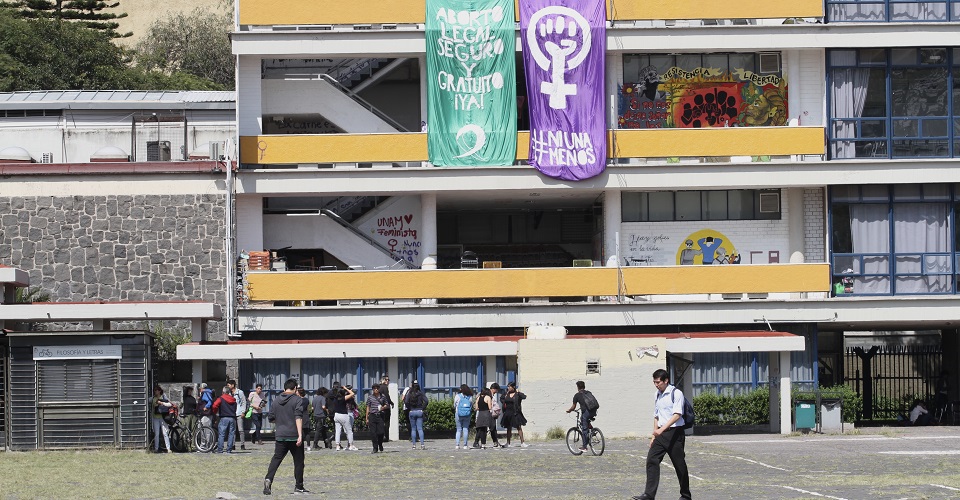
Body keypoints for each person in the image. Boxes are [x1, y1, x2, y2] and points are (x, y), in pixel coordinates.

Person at [633, 369, 692, 500]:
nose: (656, 385)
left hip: (675, 433)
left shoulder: (676, 393)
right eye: (654, 382)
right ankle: (649, 495)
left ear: (666, 381)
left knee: (679, 464)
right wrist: (655, 434)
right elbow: (656, 415)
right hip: (661, 434)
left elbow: (677, 415)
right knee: (651, 460)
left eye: (658, 382)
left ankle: (686, 495)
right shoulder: (657, 394)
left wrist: (662, 429)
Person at [263, 378, 308, 495]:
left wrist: (281, 420)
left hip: (280, 435)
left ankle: (268, 479)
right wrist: (300, 435)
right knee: (298, 461)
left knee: (276, 459)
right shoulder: (298, 400)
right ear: (295, 389)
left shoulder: (276, 400)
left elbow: (271, 418)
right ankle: (299, 486)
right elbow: (298, 417)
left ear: (284, 388)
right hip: (293, 435)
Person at [565, 380, 593, 453]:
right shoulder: (589, 393)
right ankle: (592, 431)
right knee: (586, 422)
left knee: (584, 428)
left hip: (586, 413)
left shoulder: (577, 395)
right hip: (593, 411)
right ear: (584, 386)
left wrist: (569, 410)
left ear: (578, 387)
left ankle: (584, 447)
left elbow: (573, 407)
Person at [501, 381, 528, 447]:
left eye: (510, 387)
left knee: (518, 427)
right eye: (508, 387)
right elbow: (502, 399)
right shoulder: (506, 394)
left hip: (515, 412)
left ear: (513, 387)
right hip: (507, 412)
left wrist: (518, 392)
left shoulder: (517, 394)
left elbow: (524, 397)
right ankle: (508, 443)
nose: (508, 388)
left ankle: (522, 442)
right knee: (508, 428)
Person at [212, 385, 238, 454]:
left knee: (222, 434)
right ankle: (229, 449)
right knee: (231, 434)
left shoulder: (221, 398)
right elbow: (235, 407)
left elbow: (214, 405)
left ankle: (220, 449)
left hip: (224, 417)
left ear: (223, 392)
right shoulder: (233, 399)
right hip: (232, 418)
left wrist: (215, 412)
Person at [332, 384, 358, 451]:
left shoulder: (335, 398)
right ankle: (351, 445)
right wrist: (346, 388)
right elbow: (352, 394)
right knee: (349, 431)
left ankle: (337, 445)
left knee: (338, 431)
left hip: (336, 415)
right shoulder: (343, 398)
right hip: (343, 415)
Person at [151, 385, 174, 453]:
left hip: (163, 417)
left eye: (156, 390)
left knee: (165, 433)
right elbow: (154, 405)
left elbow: (170, 404)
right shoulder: (154, 398)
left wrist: (161, 403)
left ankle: (168, 448)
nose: (155, 392)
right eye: (154, 390)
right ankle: (156, 448)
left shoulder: (163, 397)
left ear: (159, 391)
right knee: (157, 434)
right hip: (155, 417)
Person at [404, 382, 428, 449]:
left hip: (412, 411)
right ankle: (422, 444)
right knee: (420, 428)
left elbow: (406, 401)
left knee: (413, 429)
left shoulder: (410, 393)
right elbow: (426, 401)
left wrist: (409, 408)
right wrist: (422, 408)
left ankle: (414, 445)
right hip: (419, 411)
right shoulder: (420, 393)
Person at [367, 383, 387, 453]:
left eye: (377, 388)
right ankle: (375, 448)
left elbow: (386, 404)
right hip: (372, 415)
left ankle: (380, 443)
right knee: (373, 433)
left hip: (380, 415)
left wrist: (384, 407)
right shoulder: (370, 397)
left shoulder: (383, 396)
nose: (376, 389)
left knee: (381, 432)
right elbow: (368, 407)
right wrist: (367, 417)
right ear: (372, 389)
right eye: (374, 388)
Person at [229, 379, 247, 451]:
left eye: (229, 385)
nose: (228, 386)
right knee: (232, 430)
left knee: (241, 429)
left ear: (233, 385)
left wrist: (243, 412)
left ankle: (242, 444)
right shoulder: (229, 393)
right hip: (232, 413)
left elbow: (243, 402)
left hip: (239, 413)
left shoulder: (240, 392)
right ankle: (232, 444)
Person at [453, 384, 473, 450]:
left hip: (458, 414)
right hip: (467, 414)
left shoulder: (457, 396)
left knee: (458, 429)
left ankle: (457, 444)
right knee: (465, 429)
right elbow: (471, 405)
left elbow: (454, 405)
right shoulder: (470, 397)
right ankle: (465, 445)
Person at [181, 386, 198, 452]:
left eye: (191, 391)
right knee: (187, 431)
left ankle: (193, 445)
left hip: (193, 415)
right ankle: (187, 446)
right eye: (189, 391)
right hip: (187, 415)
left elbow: (195, 406)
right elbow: (181, 405)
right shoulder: (185, 398)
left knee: (193, 430)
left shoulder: (193, 398)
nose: (190, 392)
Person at [379, 376, 394, 442]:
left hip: (379, 407)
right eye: (386, 380)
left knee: (381, 422)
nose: (388, 381)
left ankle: (381, 436)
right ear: (383, 380)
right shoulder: (384, 387)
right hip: (385, 407)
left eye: (388, 380)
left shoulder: (379, 387)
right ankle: (385, 437)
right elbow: (387, 397)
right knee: (386, 422)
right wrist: (391, 403)